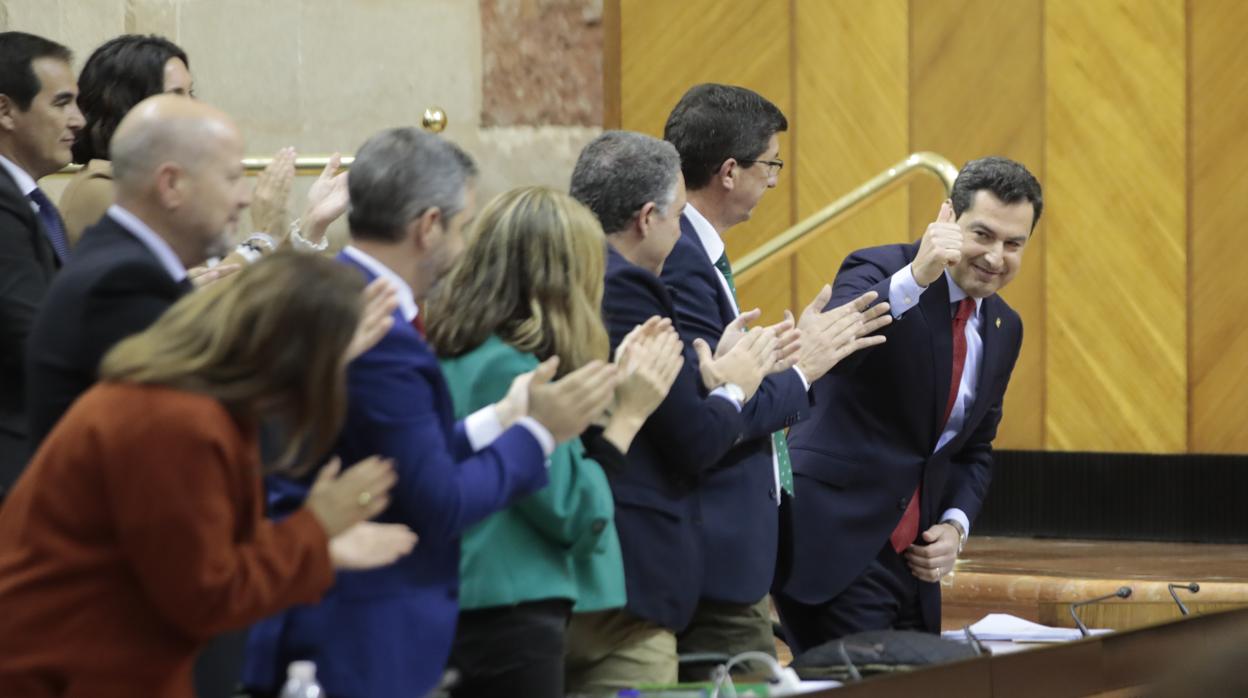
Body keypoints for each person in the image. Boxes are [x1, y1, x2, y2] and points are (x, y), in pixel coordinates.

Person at [243, 128, 620, 698]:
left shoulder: (341, 293)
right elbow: (437, 501)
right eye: (463, 227)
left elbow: (404, 456)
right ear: (428, 227)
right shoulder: (377, 327)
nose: (466, 246)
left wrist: (500, 419)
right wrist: (539, 434)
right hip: (354, 628)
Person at [0, 252, 418, 698]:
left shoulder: (190, 403)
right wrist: (316, 527)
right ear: (297, 359)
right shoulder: (176, 421)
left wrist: (319, 546)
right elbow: (206, 595)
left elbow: (197, 554)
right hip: (59, 672)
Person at [567, 130, 826, 691]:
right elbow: (692, 439)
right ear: (646, 219)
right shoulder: (626, 285)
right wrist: (736, 386)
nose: (681, 231)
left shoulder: (575, 273)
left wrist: (712, 373)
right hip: (626, 572)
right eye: (678, 215)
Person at [660, 83, 891, 673]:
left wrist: (779, 361)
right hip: (711, 550)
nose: (773, 181)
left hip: (729, 552)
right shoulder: (681, 258)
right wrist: (805, 369)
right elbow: (713, 406)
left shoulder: (695, 251)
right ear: (729, 172)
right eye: (771, 165)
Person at [775, 156, 1041, 651]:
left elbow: (975, 447)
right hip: (836, 541)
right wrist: (917, 277)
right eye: (982, 235)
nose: (995, 257)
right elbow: (831, 356)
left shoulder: (1005, 327)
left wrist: (955, 527)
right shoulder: (879, 268)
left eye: (1013, 244)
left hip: (915, 564)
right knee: (866, 680)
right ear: (948, 218)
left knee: (920, 682)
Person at [428, 185, 683, 698]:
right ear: (567, 279)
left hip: (483, 608)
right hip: (508, 612)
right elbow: (572, 512)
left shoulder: (465, 352)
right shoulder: (508, 368)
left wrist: (610, 386)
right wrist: (628, 416)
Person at [61, 33, 343, 251]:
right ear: (128, 105)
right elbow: (202, 300)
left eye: (190, 93)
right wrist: (262, 235)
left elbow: (228, 282)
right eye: (176, 94)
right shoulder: (101, 189)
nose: (193, 108)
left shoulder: (152, 183)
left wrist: (312, 224)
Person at [0, 31, 83, 494]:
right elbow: (32, 329)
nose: (78, 120)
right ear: (5, 111)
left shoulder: (25, 199)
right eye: (62, 103)